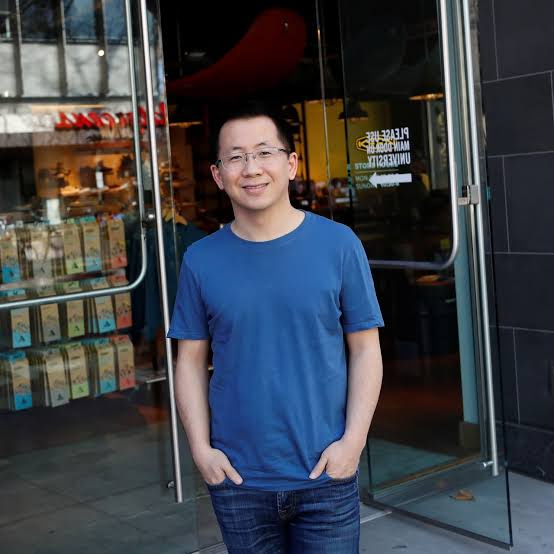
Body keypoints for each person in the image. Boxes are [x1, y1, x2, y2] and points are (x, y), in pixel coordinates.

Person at [168, 101, 384, 553]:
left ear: (291, 164)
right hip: (238, 479)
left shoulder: (339, 244)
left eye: (265, 152)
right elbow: (188, 361)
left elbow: (366, 348)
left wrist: (353, 443)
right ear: (218, 175)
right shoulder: (200, 259)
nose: (251, 168)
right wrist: (201, 450)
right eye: (236, 157)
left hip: (326, 473)